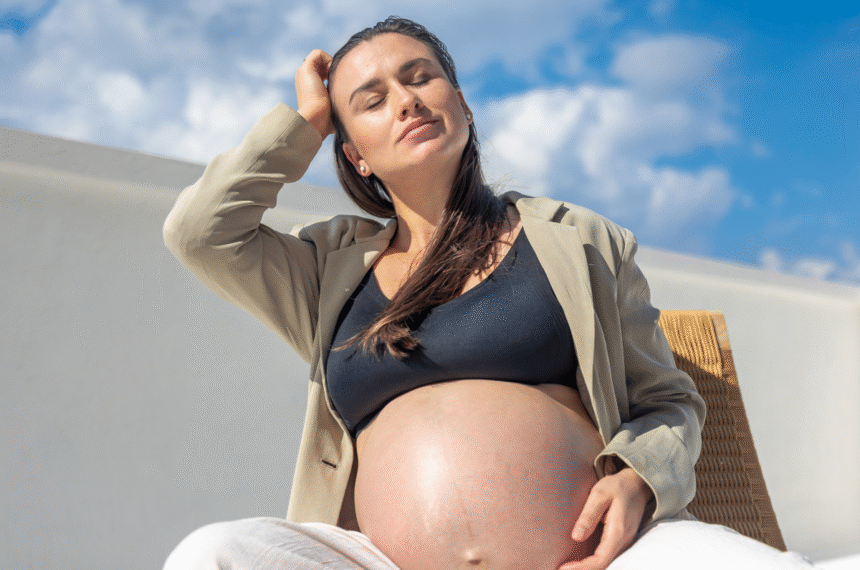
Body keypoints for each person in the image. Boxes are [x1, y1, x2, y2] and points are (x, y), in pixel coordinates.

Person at [161, 16, 817, 570]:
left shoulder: (577, 240)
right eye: (372, 99)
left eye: (420, 77)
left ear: (462, 103)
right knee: (212, 553)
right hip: (380, 562)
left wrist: (642, 481)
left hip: (604, 556)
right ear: (354, 154)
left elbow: (667, 400)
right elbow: (198, 233)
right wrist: (303, 122)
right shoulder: (326, 267)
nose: (407, 100)